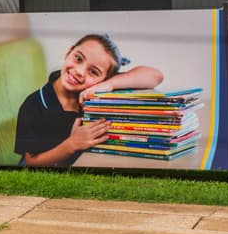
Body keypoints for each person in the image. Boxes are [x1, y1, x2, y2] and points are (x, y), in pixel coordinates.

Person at [13, 33, 163, 168]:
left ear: (104, 78)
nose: (79, 71)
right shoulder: (34, 105)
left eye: (93, 72)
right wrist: (72, 144)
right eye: (78, 58)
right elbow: (31, 162)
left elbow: (155, 75)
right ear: (68, 52)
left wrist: (109, 85)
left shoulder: (99, 88)